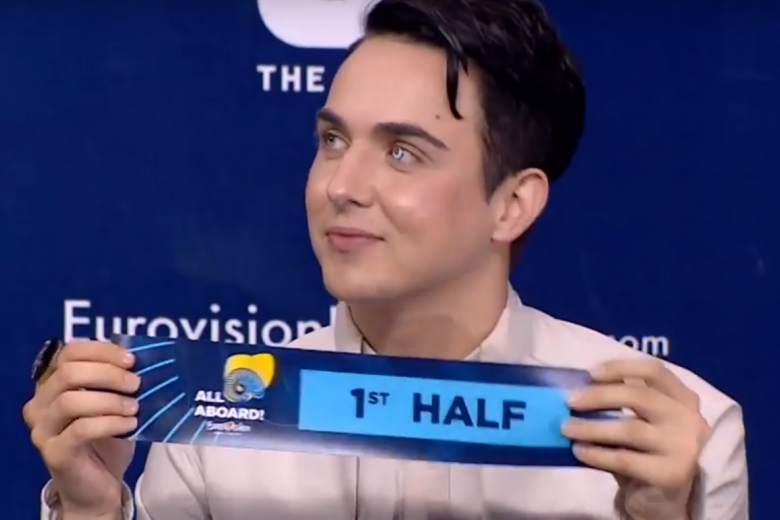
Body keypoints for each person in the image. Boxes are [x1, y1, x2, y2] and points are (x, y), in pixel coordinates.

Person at [24, 0, 748, 519]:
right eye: (333, 141)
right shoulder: (218, 423)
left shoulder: (677, 442)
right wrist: (92, 507)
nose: (341, 186)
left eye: (403, 152)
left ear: (512, 204)